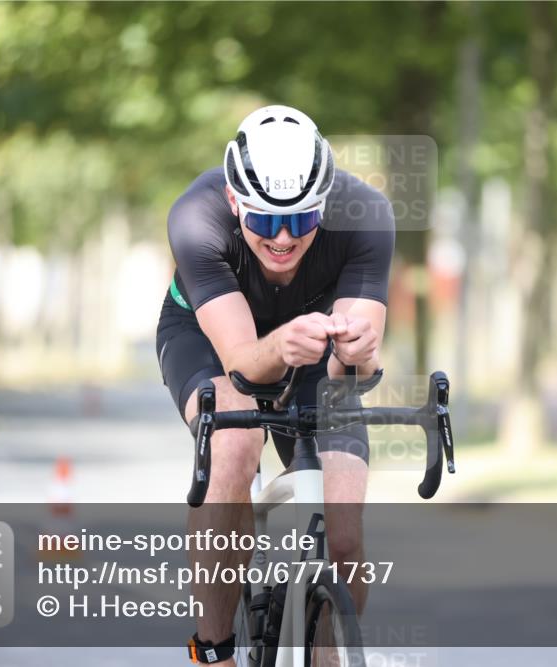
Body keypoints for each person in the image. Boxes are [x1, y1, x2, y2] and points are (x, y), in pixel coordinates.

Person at [156, 105, 395, 664]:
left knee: (343, 531)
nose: (283, 239)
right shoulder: (196, 216)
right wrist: (281, 345)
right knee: (234, 444)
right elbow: (242, 364)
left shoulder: (366, 214)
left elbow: (350, 374)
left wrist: (356, 354)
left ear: (325, 202)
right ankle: (213, 649)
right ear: (236, 202)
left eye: (303, 220)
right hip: (210, 336)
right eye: (264, 221)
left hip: (315, 346)